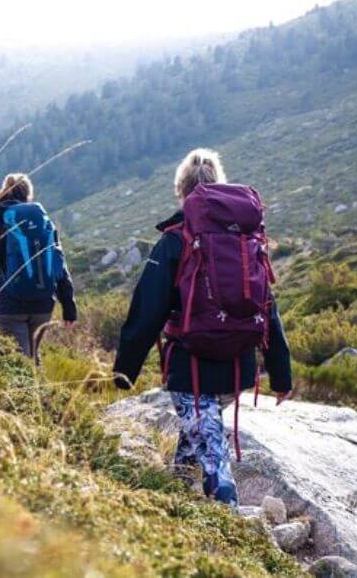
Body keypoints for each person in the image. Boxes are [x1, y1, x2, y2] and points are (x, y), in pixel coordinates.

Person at [113, 148, 292, 507]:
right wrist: (281, 374)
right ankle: (181, 485)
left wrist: (124, 371)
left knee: (213, 451)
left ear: (182, 191)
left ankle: (228, 515)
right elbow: (267, 306)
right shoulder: (245, 238)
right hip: (238, 366)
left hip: (191, 366)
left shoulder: (176, 240)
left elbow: (147, 309)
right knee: (201, 429)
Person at [0, 173, 77, 363]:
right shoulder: (44, 225)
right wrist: (69, 307)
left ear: (4, 191)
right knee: (33, 358)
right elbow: (59, 265)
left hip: (12, 307)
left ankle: (29, 392)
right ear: (28, 194)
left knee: (19, 363)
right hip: (43, 305)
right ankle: (39, 392)